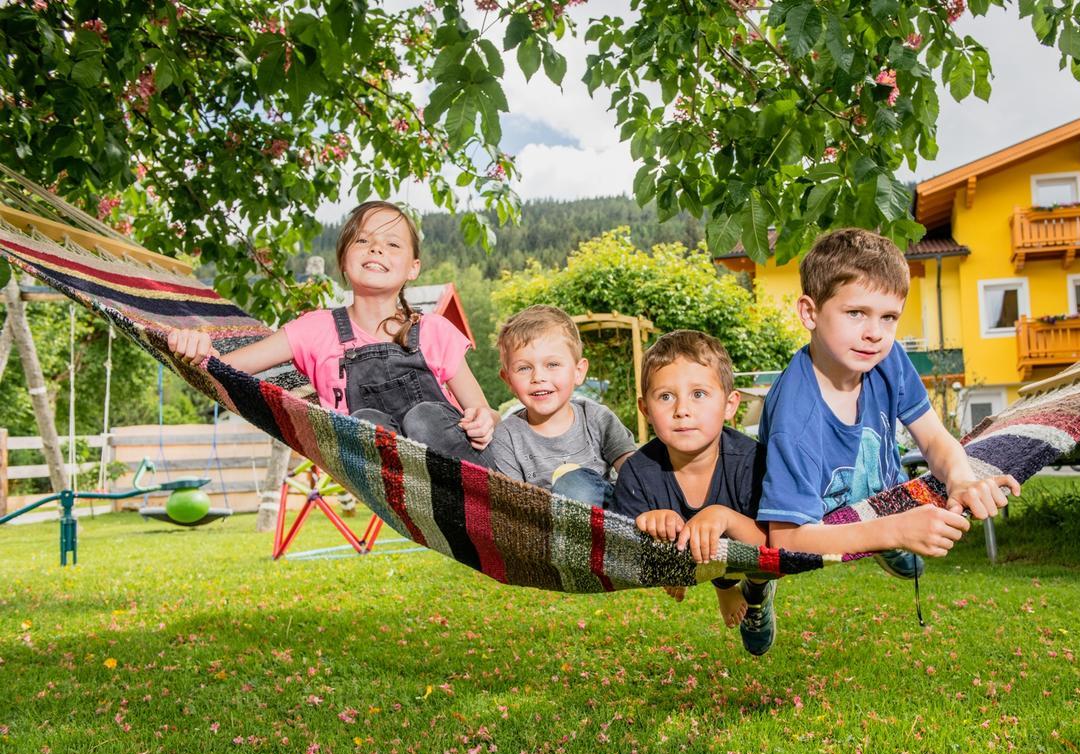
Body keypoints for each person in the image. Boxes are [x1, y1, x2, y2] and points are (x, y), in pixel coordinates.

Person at [756, 227, 1022, 654]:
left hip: (881, 494)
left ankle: (884, 531)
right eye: (856, 313)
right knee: (761, 560)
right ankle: (755, 590)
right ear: (809, 312)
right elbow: (786, 539)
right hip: (810, 521)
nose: (875, 333)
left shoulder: (887, 357)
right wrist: (893, 530)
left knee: (908, 501)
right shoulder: (796, 415)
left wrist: (960, 479)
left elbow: (934, 437)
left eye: (889, 317)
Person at [167, 201, 497, 464]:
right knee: (365, 423)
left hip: (463, 473)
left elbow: (487, 413)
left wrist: (483, 421)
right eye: (363, 240)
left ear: (414, 268)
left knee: (424, 417)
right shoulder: (315, 330)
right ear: (343, 260)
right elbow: (224, 369)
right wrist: (195, 347)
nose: (376, 249)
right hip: (392, 476)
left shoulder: (433, 330)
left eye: (392, 243)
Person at [609, 330, 770, 640]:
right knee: (668, 543)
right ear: (646, 410)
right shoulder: (639, 472)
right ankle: (700, 576)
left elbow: (779, 543)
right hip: (687, 556)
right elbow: (619, 551)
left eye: (698, 394)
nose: (682, 409)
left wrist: (725, 516)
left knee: (763, 566)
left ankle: (756, 593)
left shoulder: (752, 462)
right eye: (666, 396)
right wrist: (649, 527)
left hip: (745, 551)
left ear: (729, 404)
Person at [489, 305, 636, 505]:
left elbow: (634, 474)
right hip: (545, 528)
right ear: (508, 380)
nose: (538, 377)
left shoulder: (596, 417)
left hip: (609, 520)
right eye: (524, 368)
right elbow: (513, 507)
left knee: (576, 485)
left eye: (552, 365)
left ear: (578, 371)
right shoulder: (507, 437)